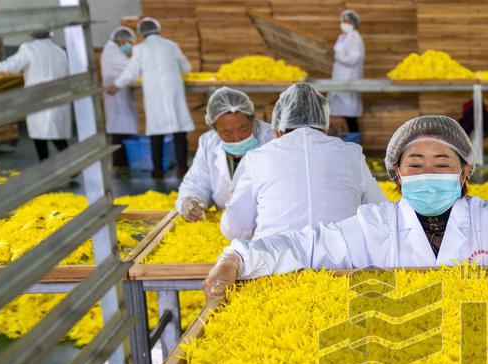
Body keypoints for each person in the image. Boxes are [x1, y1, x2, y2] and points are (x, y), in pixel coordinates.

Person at [204, 115, 488, 300]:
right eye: (416, 164)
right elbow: (305, 246)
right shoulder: (372, 224)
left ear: (464, 173)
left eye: (442, 164)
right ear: (397, 174)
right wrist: (238, 259)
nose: (429, 173)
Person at [219, 82, 387, 241]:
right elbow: (382, 216)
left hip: (277, 258)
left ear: (277, 130)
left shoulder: (258, 158)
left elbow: (234, 229)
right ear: (325, 127)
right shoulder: (351, 154)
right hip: (343, 258)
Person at [108, 17, 194, 180]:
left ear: (141, 33)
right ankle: (182, 168)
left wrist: (117, 85)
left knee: (156, 132)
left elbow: (131, 72)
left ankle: (157, 171)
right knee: (179, 131)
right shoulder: (171, 45)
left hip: (154, 94)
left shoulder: (140, 49)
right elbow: (186, 67)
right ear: (158, 29)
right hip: (173, 91)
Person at [176, 88, 276, 221]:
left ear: (253, 120)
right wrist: (192, 200)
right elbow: (196, 182)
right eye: (227, 133)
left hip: (265, 220)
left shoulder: (273, 140)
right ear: (214, 128)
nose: (237, 138)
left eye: (244, 129)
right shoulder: (208, 143)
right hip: (224, 221)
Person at [0, 31, 71, 161]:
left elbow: (11, 66)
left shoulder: (28, 49)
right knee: (56, 136)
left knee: (40, 136)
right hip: (58, 99)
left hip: (38, 100)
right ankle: (72, 162)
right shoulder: (59, 51)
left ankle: (46, 164)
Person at [100, 27, 138, 169]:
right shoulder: (112, 52)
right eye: (129, 42)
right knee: (120, 128)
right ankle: (119, 162)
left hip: (120, 93)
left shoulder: (115, 51)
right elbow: (132, 68)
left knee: (122, 127)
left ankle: (122, 161)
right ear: (121, 40)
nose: (129, 46)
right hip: (115, 95)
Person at [331, 9, 365, 134]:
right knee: (343, 114)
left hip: (349, 79)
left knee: (350, 116)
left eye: (348, 22)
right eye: (344, 21)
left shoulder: (355, 38)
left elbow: (353, 59)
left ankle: (355, 139)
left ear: (354, 23)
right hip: (340, 79)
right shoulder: (343, 37)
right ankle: (348, 139)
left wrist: (338, 56)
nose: (345, 24)